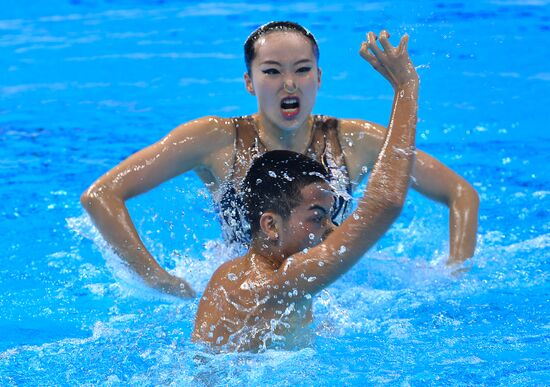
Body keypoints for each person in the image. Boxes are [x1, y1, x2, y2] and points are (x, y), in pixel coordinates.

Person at [80, 21, 478, 298]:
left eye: (302, 70)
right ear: (249, 81)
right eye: (272, 71)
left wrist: (455, 273)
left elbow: (461, 194)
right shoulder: (216, 139)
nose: (289, 83)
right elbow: (101, 195)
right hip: (253, 290)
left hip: (332, 288)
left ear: (318, 78)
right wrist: (158, 279)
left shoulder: (353, 139)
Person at [193, 38, 417, 348]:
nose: (331, 230)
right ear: (270, 225)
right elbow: (386, 203)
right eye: (317, 218)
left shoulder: (227, 274)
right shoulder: (282, 283)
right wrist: (406, 87)